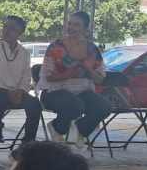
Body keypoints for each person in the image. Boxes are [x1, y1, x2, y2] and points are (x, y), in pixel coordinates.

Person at [37, 11, 111, 147]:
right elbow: (48, 76)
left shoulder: (92, 49)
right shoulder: (56, 47)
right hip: (55, 92)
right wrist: (68, 74)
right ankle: (57, 127)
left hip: (82, 92)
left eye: (76, 25)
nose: (71, 27)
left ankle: (78, 131)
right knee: (76, 105)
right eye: (69, 24)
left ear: (85, 29)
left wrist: (88, 69)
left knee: (104, 106)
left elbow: (100, 80)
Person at [0, 15, 42, 144]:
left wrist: (21, 90)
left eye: (12, 28)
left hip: (17, 92)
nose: (7, 30)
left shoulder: (24, 52)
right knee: (0, 97)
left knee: (35, 104)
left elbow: (26, 76)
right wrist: (6, 91)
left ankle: (28, 141)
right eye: (5, 27)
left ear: (20, 33)